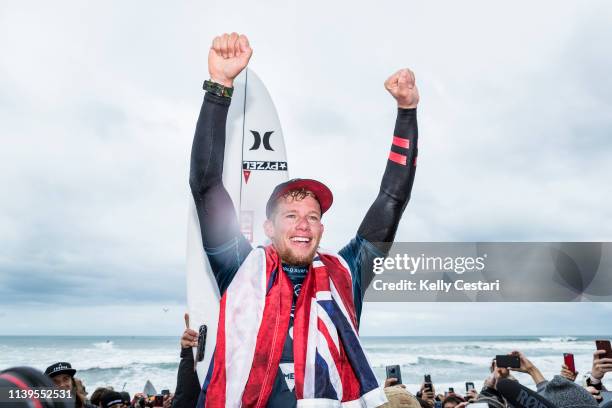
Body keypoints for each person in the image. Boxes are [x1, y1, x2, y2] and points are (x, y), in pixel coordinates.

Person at [190, 32, 419, 407]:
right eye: (291, 215)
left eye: (313, 217)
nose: (303, 224)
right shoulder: (239, 265)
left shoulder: (347, 272)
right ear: (268, 228)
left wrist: (406, 113)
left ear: (321, 230)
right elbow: (206, 185)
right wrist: (219, 87)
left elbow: (392, 200)